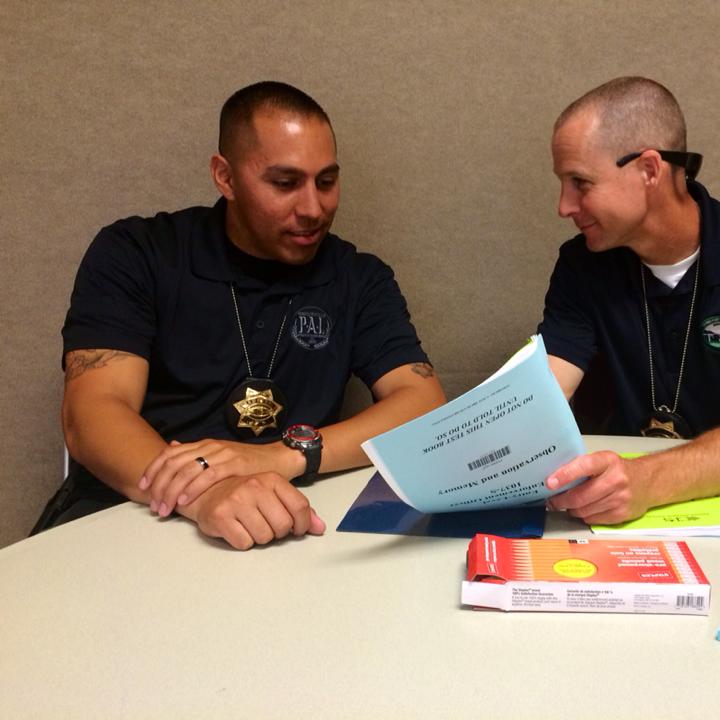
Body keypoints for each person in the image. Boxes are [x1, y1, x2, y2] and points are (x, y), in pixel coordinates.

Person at [36, 81, 446, 549]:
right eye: (285, 183)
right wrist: (206, 490)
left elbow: (422, 404)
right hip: (130, 516)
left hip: (283, 524)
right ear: (225, 177)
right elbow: (91, 414)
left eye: (327, 181)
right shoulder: (137, 253)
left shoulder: (359, 278)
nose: (313, 208)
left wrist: (285, 457)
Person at [538, 77, 720, 525]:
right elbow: (543, 395)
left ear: (649, 170)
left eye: (580, 182)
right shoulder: (581, 266)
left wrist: (646, 482)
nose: (563, 206)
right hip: (618, 516)